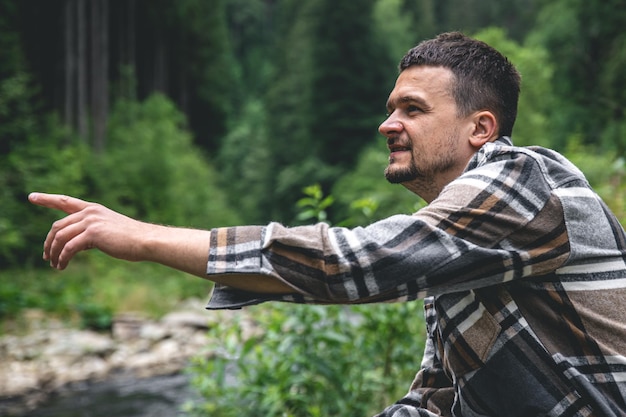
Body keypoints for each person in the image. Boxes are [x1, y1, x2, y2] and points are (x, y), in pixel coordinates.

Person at [29, 32, 626, 417]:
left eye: (412, 109)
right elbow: (438, 399)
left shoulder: (526, 182)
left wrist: (147, 239)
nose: (387, 124)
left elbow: (356, 263)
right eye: (391, 107)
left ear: (481, 128)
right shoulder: (463, 245)